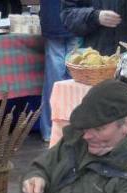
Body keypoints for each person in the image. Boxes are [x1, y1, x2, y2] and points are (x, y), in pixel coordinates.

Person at [39, 0, 81, 142]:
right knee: (73, 80)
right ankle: (66, 129)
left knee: (55, 80)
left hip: (56, 19)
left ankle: (52, 130)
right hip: (73, 19)